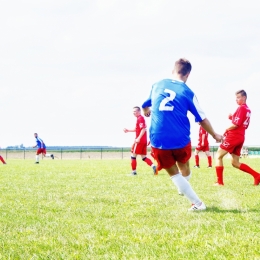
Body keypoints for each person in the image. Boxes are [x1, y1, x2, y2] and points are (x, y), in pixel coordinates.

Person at [142, 58, 222, 211]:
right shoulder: (187, 92)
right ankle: (191, 196)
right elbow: (202, 119)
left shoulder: (157, 85)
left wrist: (146, 111)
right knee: (184, 165)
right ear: (188, 75)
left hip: (159, 139)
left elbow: (145, 104)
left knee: (174, 174)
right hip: (181, 139)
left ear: (173, 71)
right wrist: (215, 135)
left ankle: (193, 198)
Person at [214, 90, 260, 186]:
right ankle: (257, 175)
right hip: (241, 136)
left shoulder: (241, 108)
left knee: (218, 156)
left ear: (244, 97)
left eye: (238, 97)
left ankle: (219, 182)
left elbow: (235, 124)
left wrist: (226, 129)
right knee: (235, 162)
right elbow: (244, 124)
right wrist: (233, 116)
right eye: (236, 98)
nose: (236, 99)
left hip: (233, 136)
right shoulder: (248, 110)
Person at [123, 106, 157, 175]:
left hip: (139, 141)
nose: (133, 113)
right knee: (143, 157)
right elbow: (137, 129)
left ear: (139, 111)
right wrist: (128, 130)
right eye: (133, 112)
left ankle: (133, 172)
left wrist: (138, 138)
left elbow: (143, 129)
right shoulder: (140, 119)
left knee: (133, 155)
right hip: (143, 141)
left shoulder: (140, 118)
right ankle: (153, 166)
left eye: (135, 111)